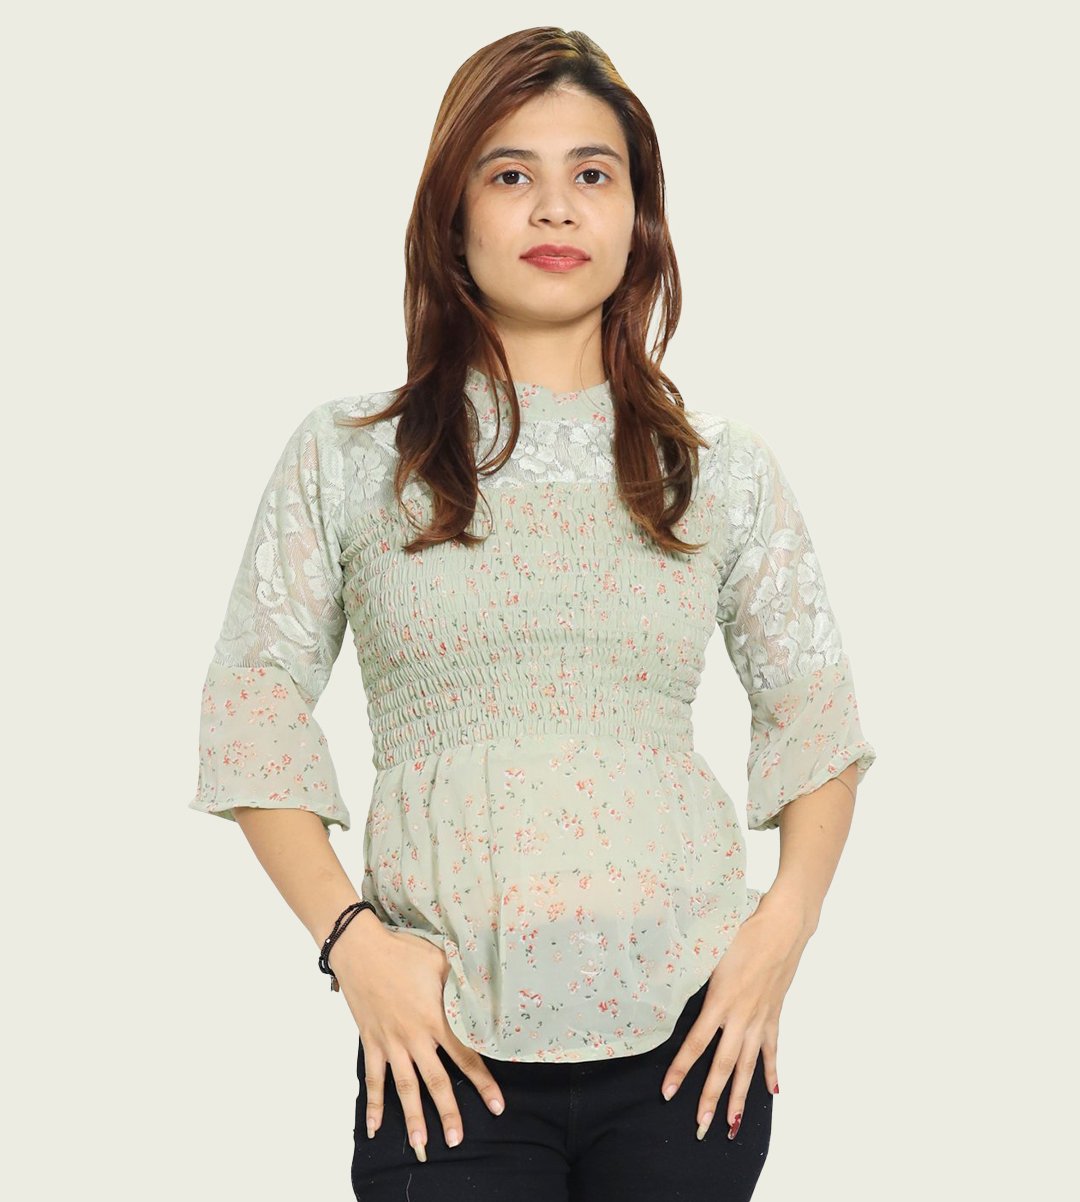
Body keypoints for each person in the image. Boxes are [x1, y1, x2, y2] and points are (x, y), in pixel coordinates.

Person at [188, 26, 877, 1202]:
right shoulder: (351, 456)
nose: (556, 207)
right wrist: (352, 944)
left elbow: (814, 714)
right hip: (441, 1050)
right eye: (512, 174)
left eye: (591, 173)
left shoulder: (718, 468)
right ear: (452, 214)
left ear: (638, 217)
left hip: (688, 1042)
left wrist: (782, 929)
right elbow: (253, 706)